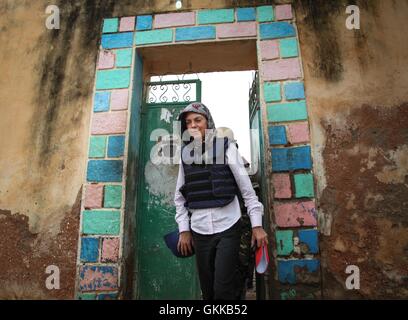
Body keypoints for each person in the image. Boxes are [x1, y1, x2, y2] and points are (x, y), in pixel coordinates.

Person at [173, 102, 268, 300]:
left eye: (198, 120)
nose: (193, 125)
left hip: (228, 228)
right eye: (188, 122)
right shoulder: (184, 155)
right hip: (199, 231)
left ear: (208, 122)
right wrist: (184, 229)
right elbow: (180, 197)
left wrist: (257, 226)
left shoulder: (226, 147)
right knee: (208, 292)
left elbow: (247, 190)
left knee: (224, 290)